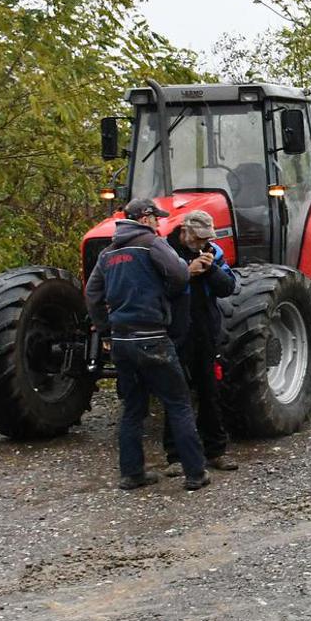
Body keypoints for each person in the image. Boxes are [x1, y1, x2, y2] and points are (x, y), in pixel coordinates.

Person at [84, 199, 208, 491]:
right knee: (178, 403)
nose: (158, 223)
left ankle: (132, 474)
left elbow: (92, 294)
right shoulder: (152, 244)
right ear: (145, 218)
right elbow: (179, 275)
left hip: (121, 341)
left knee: (132, 408)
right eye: (156, 218)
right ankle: (195, 473)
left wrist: (105, 330)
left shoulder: (108, 253)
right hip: (152, 338)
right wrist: (169, 293)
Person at [163, 210, 239, 473]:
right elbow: (160, 288)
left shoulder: (213, 252)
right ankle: (175, 456)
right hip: (176, 331)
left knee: (210, 392)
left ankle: (216, 451)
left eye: (207, 238)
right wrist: (188, 272)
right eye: (198, 238)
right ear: (185, 231)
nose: (202, 243)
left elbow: (228, 287)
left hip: (206, 331)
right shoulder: (165, 252)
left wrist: (211, 270)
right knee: (176, 394)